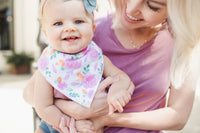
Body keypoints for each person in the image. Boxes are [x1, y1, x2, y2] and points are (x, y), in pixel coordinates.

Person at [23, 0, 199, 132]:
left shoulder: (183, 45)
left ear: (176, 9)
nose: (130, 9)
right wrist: (75, 110)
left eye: (152, 6)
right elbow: (30, 93)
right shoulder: (83, 31)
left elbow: (178, 117)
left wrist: (108, 119)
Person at [32, 0, 133, 133]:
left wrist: (117, 90)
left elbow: (121, 77)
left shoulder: (97, 59)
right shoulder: (48, 67)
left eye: (78, 21)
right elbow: (43, 107)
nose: (69, 28)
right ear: (46, 33)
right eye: (58, 23)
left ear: (92, 28)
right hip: (55, 125)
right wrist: (71, 124)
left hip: (93, 125)